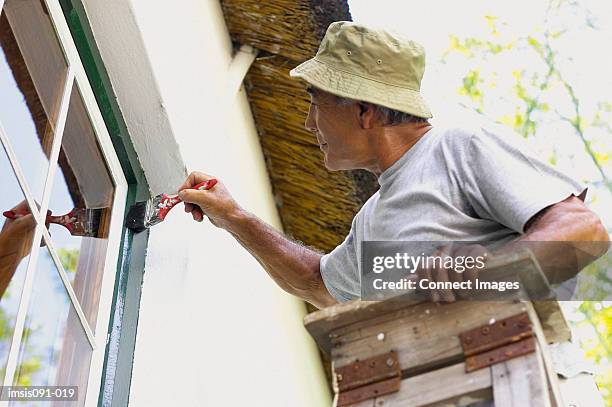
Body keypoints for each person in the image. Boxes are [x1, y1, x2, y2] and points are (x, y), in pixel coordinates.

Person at [177, 21, 609, 309]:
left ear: (364, 110)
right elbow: (316, 283)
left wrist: (487, 269)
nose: (308, 123)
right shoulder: (371, 218)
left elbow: (583, 232)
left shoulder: (459, 144)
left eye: (315, 102)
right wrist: (233, 216)